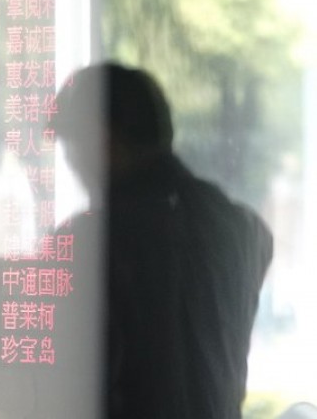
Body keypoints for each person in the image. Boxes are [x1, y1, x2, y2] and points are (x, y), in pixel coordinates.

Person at [51, 62, 273, 419]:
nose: (71, 164)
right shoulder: (244, 229)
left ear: (103, 138)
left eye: (71, 147)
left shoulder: (88, 243)